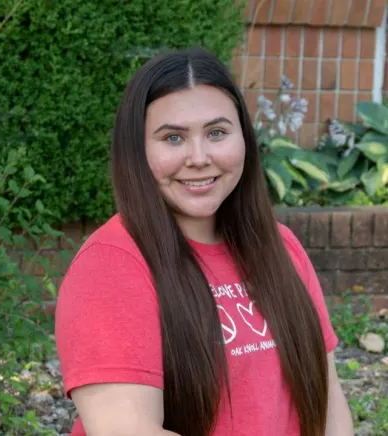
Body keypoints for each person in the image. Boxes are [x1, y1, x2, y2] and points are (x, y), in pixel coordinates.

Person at [55, 47, 354, 436]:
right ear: (137, 151)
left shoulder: (281, 249)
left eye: (216, 133)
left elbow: (329, 401)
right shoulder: (111, 265)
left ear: (243, 138)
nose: (199, 157)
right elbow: (125, 429)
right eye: (173, 137)